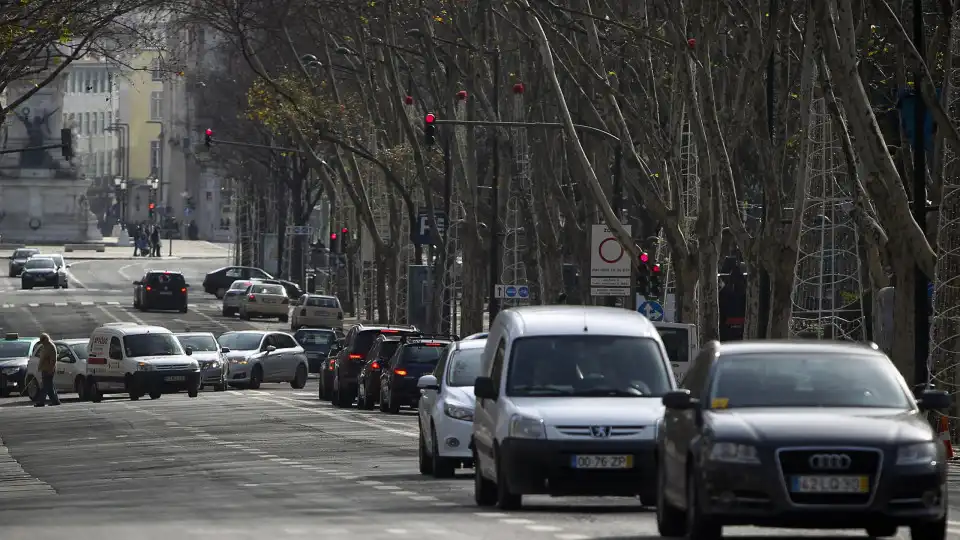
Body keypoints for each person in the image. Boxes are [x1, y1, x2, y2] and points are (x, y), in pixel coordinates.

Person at [34, 334, 60, 407]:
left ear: (46, 339)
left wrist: (51, 368)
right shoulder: (45, 346)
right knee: (49, 386)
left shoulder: (50, 346)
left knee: (45, 386)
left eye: (42, 340)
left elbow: (53, 359)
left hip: (49, 369)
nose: (42, 342)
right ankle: (55, 401)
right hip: (45, 368)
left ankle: (41, 402)